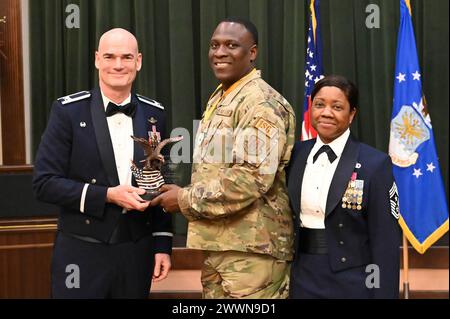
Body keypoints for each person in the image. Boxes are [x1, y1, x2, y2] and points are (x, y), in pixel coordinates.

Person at [150, 17, 296, 299]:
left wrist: (184, 199)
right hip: (221, 245)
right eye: (214, 45)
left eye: (232, 45)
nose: (219, 52)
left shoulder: (260, 104)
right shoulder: (223, 97)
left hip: (253, 252)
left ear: (252, 52)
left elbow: (249, 180)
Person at [33, 28, 172, 298]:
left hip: (136, 252)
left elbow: (159, 180)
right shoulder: (68, 112)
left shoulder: (155, 114)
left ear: (139, 61)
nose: (118, 65)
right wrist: (107, 195)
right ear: (97, 59)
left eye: (126, 57)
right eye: (109, 57)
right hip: (81, 252)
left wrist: (162, 244)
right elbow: (44, 183)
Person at [287, 75, 401, 299]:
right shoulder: (295, 155)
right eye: (319, 105)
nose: (326, 113)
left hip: (354, 281)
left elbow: (384, 242)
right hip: (302, 275)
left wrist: (382, 292)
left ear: (352, 115)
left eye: (337, 107)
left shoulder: (374, 164)